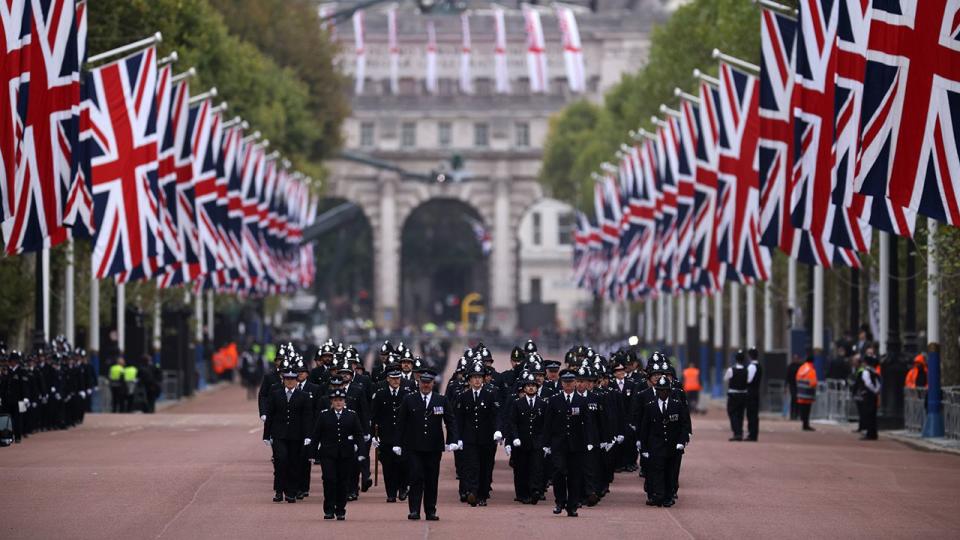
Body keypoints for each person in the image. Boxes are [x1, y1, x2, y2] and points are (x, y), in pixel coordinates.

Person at [396, 368, 458, 521]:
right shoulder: (409, 399)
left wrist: (452, 440)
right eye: (423, 382)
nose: (425, 385)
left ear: (433, 384)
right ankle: (414, 510)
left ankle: (430, 511)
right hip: (414, 446)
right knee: (416, 477)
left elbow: (450, 421)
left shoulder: (441, 400)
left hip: (433, 447)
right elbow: (401, 423)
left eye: (428, 383)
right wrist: (397, 443)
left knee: (431, 479)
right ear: (418, 383)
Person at [541, 368, 597, 517]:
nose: (568, 385)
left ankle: (572, 506)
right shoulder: (554, 400)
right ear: (561, 383)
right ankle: (560, 502)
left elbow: (588, 423)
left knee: (574, 476)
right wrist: (545, 443)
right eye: (565, 382)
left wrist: (590, 441)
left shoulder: (582, 401)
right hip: (558, 444)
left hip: (576, 445)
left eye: (571, 382)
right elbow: (547, 423)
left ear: (575, 383)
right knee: (558, 473)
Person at [262, 354, 314, 504]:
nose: (290, 381)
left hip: (296, 435)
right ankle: (279, 490)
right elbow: (270, 415)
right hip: (279, 434)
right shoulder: (275, 394)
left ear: (296, 380)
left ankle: (291, 492)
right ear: (283, 380)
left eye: (292, 379)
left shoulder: (304, 396)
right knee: (281, 460)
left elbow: (307, 417)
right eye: (287, 379)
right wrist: (266, 435)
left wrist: (308, 435)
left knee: (294, 463)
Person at [639, 375, 691, 508]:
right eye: (660, 390)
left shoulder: (677, 405)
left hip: (673, 445)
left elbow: (684, 425)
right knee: (657, 471)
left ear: (669, 391)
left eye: (665, 390)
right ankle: (659, 495)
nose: (662, 393)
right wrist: (643, 447)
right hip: (656, 445)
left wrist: (682, 441)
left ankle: (668, 496)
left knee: (670, 472)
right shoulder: (650, 407)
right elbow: (645, 428)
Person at [455, 361, 501, 507]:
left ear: (483, 379)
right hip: (469, 438)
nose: (477, 380)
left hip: (486, 438)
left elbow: (496, 416)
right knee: (471, 465)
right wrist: (458, 438)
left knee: (485, 467)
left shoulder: (490, 395)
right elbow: (459, 419)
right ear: (469, 380)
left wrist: (498, 430)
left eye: (479, 377)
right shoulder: (463, 397)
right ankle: (472, 492)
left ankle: (482, 494)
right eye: (474, 377)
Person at [313, 388, 364, 520]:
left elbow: (358, 434)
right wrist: (312, 453)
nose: (338, 403)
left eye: (340, 400)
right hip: (328, 453)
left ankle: (340, 509)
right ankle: (329, 509)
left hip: (346, 454)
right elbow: (316, 435)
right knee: (329, 480)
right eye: (335, 400)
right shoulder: (324, 415)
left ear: (344, 401)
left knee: (343, 482)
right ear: (331, 401)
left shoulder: (352, 415)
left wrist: (361, 451)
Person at [370, 365, 409, 502]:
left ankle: (403, 487)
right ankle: (391, 493)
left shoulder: (406, 394)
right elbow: (374, 416)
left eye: (398, 378)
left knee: (403, 464)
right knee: (388, 466)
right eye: (393, 378)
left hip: (403, 436)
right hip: (385, 436)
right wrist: (373, 436)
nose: (396, 381)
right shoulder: (380, 394)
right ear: (387, 379)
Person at [507, 371, 546, 504]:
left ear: (537, 387)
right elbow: (512, 422)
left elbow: (546, 424)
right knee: (521, 469)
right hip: (521, 442)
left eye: (533, 385)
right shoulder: (517, 403)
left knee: (536, 468)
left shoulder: (543, 403)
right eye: (528, 385)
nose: (531, 388)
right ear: (524, 388)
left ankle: (534, 491)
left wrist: (545, 441)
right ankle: (522, 494)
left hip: (537, 442)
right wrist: (515, 437)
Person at [855, 355, 882, 441]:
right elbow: (878, 382)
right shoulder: (874, 371)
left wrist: (873, 390)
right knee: (873, 414)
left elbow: (867, 383)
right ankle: (874, 433)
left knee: (868, 414)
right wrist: (876, 391)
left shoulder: (866, 371)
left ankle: (869, 433)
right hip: (874, 395)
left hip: (867, 394)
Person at [724, 350, 748, 441]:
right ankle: (740, 432)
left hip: (733, 394)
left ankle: (736, 432)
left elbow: (725, 379)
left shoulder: (731, 370)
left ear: (736, 359)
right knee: (740, 414)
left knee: (732, 413)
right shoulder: (746, 370)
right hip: (743, 394)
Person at [795, 354, 818, 431]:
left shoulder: (802, 367)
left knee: (803, 409)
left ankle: (804, 423)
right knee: (807, 410)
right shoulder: (811, 369)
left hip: (801, 393)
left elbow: (797, 378)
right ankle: (806, 425)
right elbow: (813, 383)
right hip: (808, 394)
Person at [745, 347, 763, 441]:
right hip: (756, 392)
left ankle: (752, 434)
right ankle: (753, 434)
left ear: (750, 356)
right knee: (754, 414)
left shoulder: (752, 367)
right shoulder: (759, 366)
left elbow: (748, 380)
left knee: (751, 414)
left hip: (751, 393)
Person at [785, 354, 802, 420]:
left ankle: (797, 414)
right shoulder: (790, 366)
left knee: (798, 400)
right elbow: (787, 376)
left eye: (797, 358)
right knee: (793, 398)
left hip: (798, 385)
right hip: (792, 385)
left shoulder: (800, 366)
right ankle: (792, 414)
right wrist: (786, 386)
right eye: (794, 358)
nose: (796, 359)